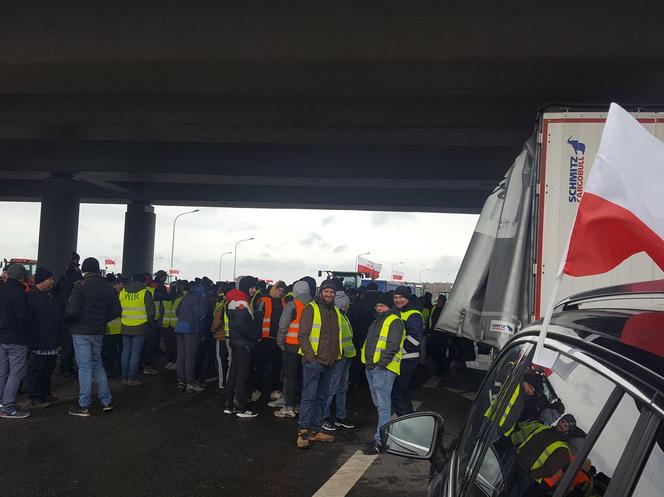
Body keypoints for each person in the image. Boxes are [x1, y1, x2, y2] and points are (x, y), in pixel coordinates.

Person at [295, 280, 354, 449]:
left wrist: (337, 357)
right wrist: (311, 358)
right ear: (321, 292)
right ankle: (303, 431)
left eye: (332, 293)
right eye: (326, 292)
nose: (329, 295)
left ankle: (315, 429)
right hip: (315, 362)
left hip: (331, 362)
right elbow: (303, 335)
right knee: (309, 397)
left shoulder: (335, 311)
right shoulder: (311, 309)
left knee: (321, 397)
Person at [65, 257, 121, 417]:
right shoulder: (108, 287)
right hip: (98, 330)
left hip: (81, 331)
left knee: (84, 367)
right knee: (97, 364)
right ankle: (106, 401)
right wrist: (101, 319)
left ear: (84, 270)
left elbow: (71, 311)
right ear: (97, 269)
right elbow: (117, 310)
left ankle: (84, 405)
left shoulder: (80, 286)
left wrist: (69, 323)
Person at [361, 292, 406, 453]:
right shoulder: (377, 321)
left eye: (382, 305)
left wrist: (381, 364)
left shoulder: (394, 321)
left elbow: (393, 345)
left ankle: (381, 442)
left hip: (383, 369)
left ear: (389, 306)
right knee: (380, 404)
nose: (379, 308)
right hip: (373, 368)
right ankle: (384, 436)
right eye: (377, 306)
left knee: (383, 406)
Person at [25, 267, 62, 408]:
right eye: (50, 279)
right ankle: (34, 396)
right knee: (36, 370)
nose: (52, 282)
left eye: (53, 279)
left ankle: (46, 393)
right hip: (38, 341)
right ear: (41, 280)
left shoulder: (50, 295)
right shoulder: (31, 296)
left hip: (51, 340)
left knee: (48, 369)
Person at [275, 279, 312, 418]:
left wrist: (280, 342)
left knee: (290, 377)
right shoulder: (314, 305)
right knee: (304, 377)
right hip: (307, 347)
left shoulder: (292, 305)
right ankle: (300, 405)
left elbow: (283, 326)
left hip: (291, 346)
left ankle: (288, 406)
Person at [224, 276, 260, 418]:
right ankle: (241, 406)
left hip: (236, 341)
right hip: (243, 342)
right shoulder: (241, 300)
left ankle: (229, 404)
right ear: (246, 287)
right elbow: (241, 323)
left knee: (233, 373)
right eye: (252, 287)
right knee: (242, 375)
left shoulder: (234, 298)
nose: (254, 290)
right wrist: (254, 335)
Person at [321, 290, 356, 431]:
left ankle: (340, 417)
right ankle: (324, 417)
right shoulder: (336, 316)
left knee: (341, 388)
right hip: (339, 357)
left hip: (346, 356)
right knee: (332, 388)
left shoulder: (341, 315)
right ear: (344, 305)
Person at [0, 264, 31, 418]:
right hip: (16, 338)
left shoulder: (1, 289)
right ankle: (8, 407)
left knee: (2, 371)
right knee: (16, 372)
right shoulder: (19, 293)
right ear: (22, 277)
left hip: (2, 337)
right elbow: (24, 317)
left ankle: (2, 402)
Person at [391, 286, 424, 416]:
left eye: (401, 297)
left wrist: (400, 351)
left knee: (400, 393)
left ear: (408, 298)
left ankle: (406, 422)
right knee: (400, 393)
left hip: (407, 359)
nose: (398, 300)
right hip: (400, 358)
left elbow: (415, 339)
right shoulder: (399, 312)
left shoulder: (413, 314)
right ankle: (406, 420)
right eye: (396, 297)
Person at [252, 280, 286, 402]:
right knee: (260, 366)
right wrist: (258, 337)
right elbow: (257, 319)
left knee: (276, 367)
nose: (280, 292)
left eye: (282, 291)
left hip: (277, 340)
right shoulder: (263, 301)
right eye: (279, 290)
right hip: (264, 340)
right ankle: (257, 389)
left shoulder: (283, 303)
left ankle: (274, 390)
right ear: (274, 289)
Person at [119, 273, 155, 386]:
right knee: (135, 353)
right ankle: (131, 378)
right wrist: (148, 322)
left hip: (125, 326)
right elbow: (151, 312)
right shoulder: (145, 293)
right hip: (140, 327)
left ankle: (123, 377)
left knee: (125, 352)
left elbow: (118, 307)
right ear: (143, 282)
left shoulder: (123, 292)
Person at [174, 278, 209, 393]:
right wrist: (201, 328)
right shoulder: (202, 295)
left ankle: (181, 380)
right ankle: (190, 382)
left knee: (181, 355)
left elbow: (177, 310)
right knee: (190, 356)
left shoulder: (188, 294)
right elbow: (203, 314)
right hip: (191, 328)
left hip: (179, 327)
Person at [102, 275, 124, 376]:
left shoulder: (108, 293)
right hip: (112, 327)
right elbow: (116, 310)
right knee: (110, 350)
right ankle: (109, 368)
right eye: (122, 286)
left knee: (109, 349)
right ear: (117, 284)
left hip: (111, 327)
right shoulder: (113, 295)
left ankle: (109, 368)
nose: (122, 288)